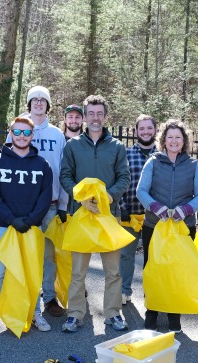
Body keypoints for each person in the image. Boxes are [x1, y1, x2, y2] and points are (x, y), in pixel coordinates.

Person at [59, 94, 130, 333]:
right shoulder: (73, 145)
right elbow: (65, 176)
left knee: (113, 271)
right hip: (82, 216)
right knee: (78, 271)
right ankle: (75, 314)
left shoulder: (117, 147)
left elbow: (124, 178)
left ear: (105, 116)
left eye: (100, 113)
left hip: (109, 216)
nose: (95, 118)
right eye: (91, 113)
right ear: (85, 117)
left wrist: (109, 197)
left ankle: (113, 313)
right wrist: (80, 198)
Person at [0, 117, 53, 335]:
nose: (22, 136)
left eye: (26, 133)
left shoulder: (42, 164)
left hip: (32, 228)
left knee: (33, 272)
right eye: (17, 132)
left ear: (32, 136)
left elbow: (45, 196)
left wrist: (30, 220)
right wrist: (11, 219)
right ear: (11, 134)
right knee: (0, 273)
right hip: (6, 227)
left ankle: (34, 313)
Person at [135, 119, 198, 332]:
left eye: (178, 137)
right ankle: (152, 312)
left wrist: (185, 210)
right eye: (170, 137)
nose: (174, 141)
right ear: (163, 140)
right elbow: (141, 191)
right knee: (154, 268)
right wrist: (156, 207)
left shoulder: (194, 165)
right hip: (154, 225)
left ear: (184, 141)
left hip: (183, 227)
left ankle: (174, 315)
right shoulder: (153, 162)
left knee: (177, 270)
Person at [23, 86, 69, 324]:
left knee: (49, 255)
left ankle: (49, 297)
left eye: (43, 100)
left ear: (48, 105)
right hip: (25, 206)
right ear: (29, 104)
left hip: (50, 205)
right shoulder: (19, 129)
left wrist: (63, 204)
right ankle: (26, 297)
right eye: (34, 100)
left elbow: (63, 172)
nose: (38, 103)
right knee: (27, 254)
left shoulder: (56, 134)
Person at [119, 114, 158, 305]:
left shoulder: (163, 155)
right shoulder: (126, 154)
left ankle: (151, 293)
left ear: (155, 130)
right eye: (141, 129)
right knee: (126, 254)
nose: (145, 132)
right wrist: (121, 206)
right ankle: (124, 291)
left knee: (153, 257)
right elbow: (117, 181)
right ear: (136, 132)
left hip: (155, 216)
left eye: (149, 128)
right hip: (130, 213)